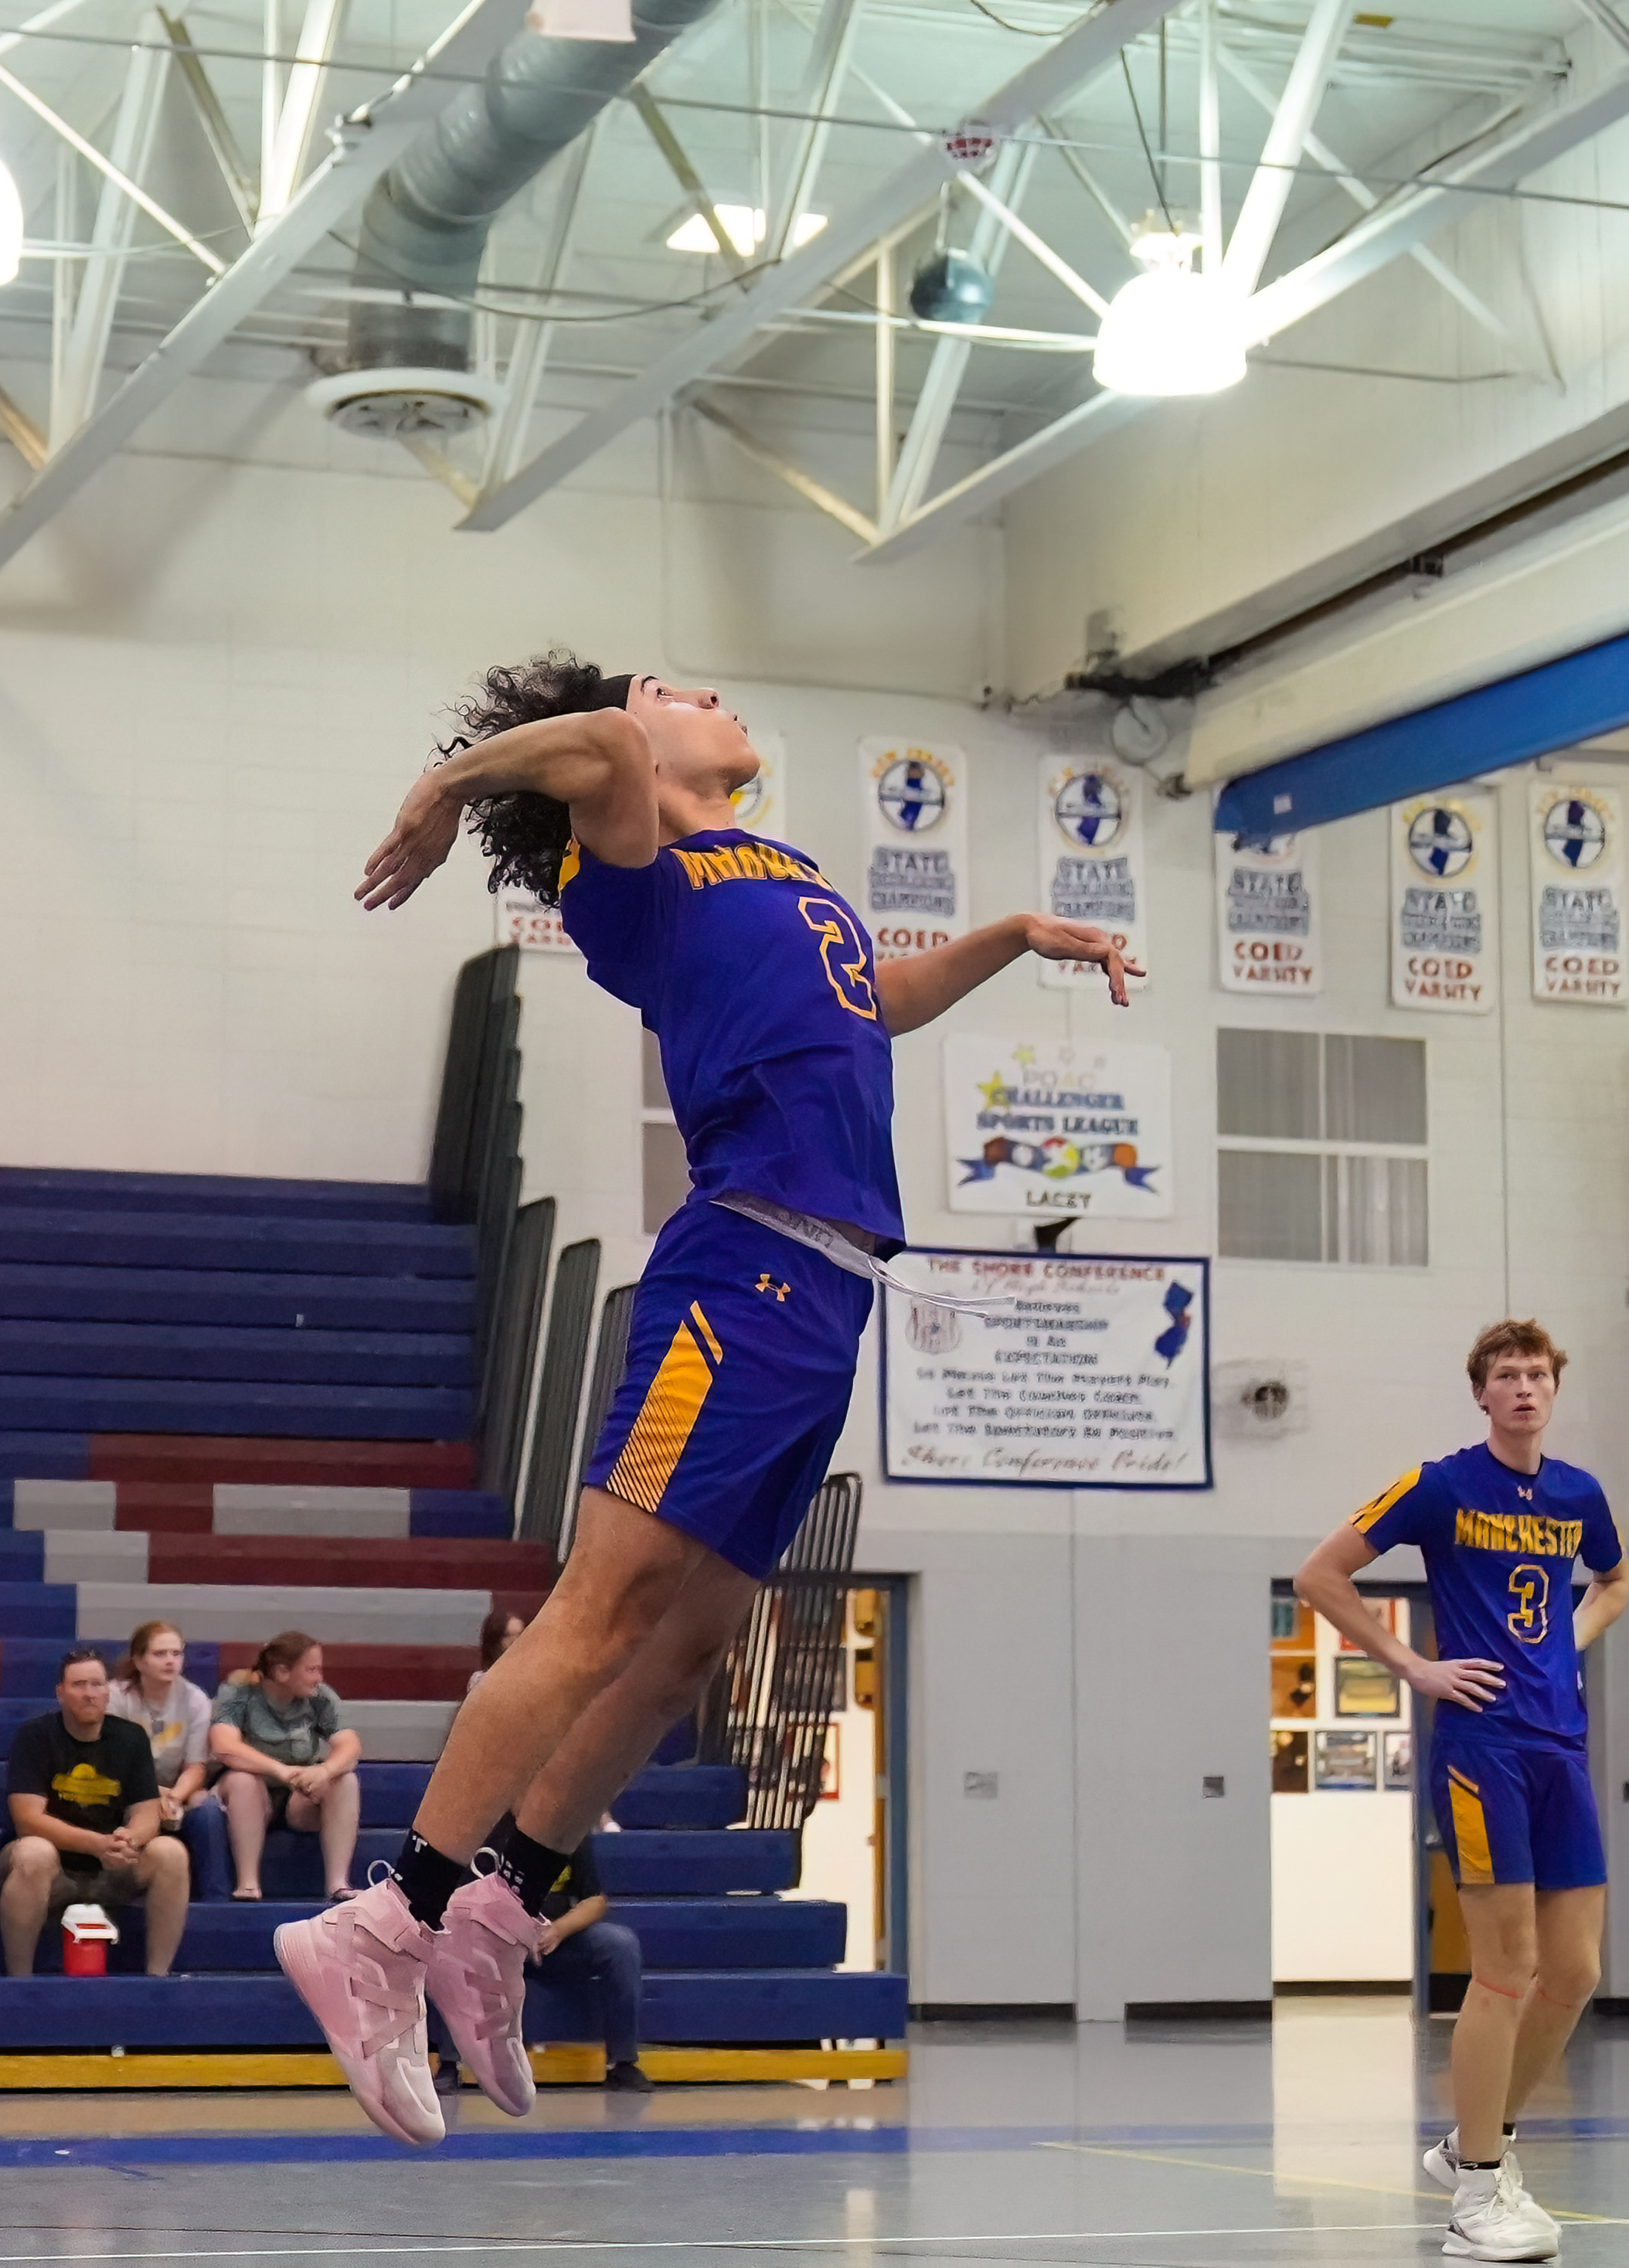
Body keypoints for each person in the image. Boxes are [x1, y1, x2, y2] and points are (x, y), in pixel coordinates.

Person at [275, 655, 1139, 2147]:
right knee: (597, 1613)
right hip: (737, 1273)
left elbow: (880, 995)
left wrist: (1007, 931)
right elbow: (600, 737)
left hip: (829, 1290)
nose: (701, 691)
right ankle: (381, 1922)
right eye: (672, 685)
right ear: (623, 759)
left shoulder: (778, 867)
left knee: (684, 1649)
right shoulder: (638, 871)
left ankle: (502, 1909)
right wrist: (446, 780)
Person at [1295, 1318, 1629, 2263]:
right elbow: (1319, 1575)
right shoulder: (1438, 1485)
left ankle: (1472, 2147)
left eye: (1536, 1374)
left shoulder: (1578, 1493)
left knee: (1573, 1973)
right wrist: (1413, 1664)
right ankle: (1476, 2196)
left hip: (1557, 1743)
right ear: (1480, 1394)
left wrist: (1570, 1642)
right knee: (1505, 1965)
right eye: (1504, 1375)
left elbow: (1612, 1579)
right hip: (1480, 1746)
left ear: (1553, 1392)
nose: (1523, 1387)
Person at [0, 1645, 191, 1977]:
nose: (90, 1694)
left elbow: (146, 1812)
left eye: (97, 1684)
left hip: (111, 1867)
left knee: (170, 1852)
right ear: (60, 1692)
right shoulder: (35, 1735)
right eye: (79, 1685)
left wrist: (127, 1841)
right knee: (34, 1852)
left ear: (108, 1690)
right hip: (50, 1870)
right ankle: (19, 1981)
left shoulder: (130, 1738)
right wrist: (97, 1844)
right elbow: (27, 1819)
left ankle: (158, 1978)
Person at [209, 1632, 362, 1902]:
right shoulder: (240, 1692)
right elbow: (224, 1745)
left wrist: (324, 1771)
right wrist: (279, 1770)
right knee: (244, 1781)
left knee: (345, 1780)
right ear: (283, 1672)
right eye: (312, 1670)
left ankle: (338, 1883)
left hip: (299, 1796)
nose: (319, 1677)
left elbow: (349, 1745)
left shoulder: (320, 1697)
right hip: (250, 1794)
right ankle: (248, 1882)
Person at [107, 1620, 230, 1901]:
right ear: (138, 1661)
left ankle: (217, 1901)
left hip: (173, 1792)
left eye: (176, 1654)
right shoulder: (115, 1697)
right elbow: (111, 1762)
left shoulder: (195, 1699)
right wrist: (152, 1794)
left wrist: (174, 1797)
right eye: (160, 1654)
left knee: (208, 1808)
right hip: (125, 1791)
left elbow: (196, 1767)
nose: (170, 1661)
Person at [531, 1824, 649, 2093]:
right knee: (453, 1947)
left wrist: (558, 1931)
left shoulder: (569, 1828)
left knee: (620, 1944)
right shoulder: (490, 1831)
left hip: (557, 1941)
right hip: (499, 1945)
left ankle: (622, 2063)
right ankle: (448, 2064)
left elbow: (595, 1901)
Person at [468, 1609, 525, 1693]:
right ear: (495, 1641)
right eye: (507, 1636)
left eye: (521, 1634)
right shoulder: (481, 1680)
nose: (516, 1641)